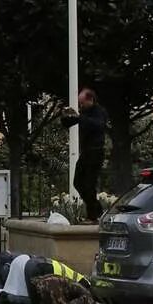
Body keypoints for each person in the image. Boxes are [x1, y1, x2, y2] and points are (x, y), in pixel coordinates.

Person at [61, 87, 110, 222]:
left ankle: (92, 215)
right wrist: (66, 117)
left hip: (96, 152)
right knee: (77, 182)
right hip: (86, 153)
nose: (81, 106)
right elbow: (71, 122)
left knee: (89, 184)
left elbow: (98, 125)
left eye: (82, 103)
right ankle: (97, 208)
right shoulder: (85, 113)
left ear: (91, 100)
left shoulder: (99, 112)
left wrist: (79, 117)